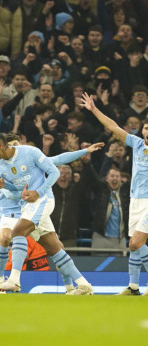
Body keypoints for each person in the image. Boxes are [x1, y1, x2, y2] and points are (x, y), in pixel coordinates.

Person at [0, 133, 103, 294]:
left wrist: (85, 151)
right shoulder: (2, 166)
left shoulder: (29, 156)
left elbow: (59, 158)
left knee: (18, 233)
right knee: (54, 248)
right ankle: (83, 284)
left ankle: (14, 280)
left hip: (35, 205)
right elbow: (12, 194)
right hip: (15, 210)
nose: (18, 148)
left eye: (18, 144)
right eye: (14, 145)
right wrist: (7, 186)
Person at [80, 93, 148, 296]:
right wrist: (94, 109)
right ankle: (133, 287)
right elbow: (113, 127)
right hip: (136, 201)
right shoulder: (137, 145)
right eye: (146, 127)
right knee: (133, 246)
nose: (147, 131)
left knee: (136, 243)